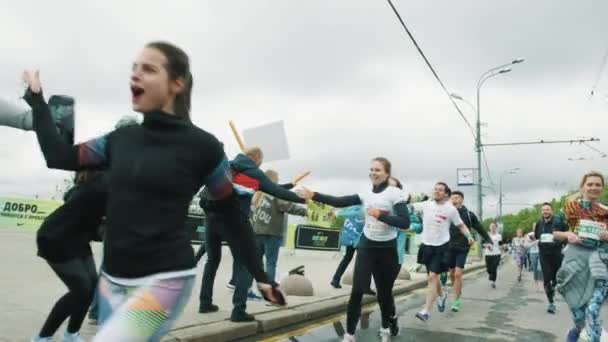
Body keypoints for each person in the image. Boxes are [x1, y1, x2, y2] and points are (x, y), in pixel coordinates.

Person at [22, 41, 284, 341]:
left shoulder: (205, 148)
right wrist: (38, 100)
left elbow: (233, 218)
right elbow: (58, 156)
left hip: (166, 279)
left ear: (177, 83)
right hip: (113, 281)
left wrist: (261, 277)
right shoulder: (120, 140)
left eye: (149, 69)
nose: (135, 75)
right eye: (134, 68)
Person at [296, 157, 410, 342]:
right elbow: (340, 201)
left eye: (378, 170)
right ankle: (349, 335)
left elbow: (404, 222)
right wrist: (313, 195)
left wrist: (380, 215)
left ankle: (387, 325)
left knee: (384, 293)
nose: (373, 172)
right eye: (371, 169)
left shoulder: (394, 194)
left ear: (387, 173)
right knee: (357, 290)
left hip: (387, 248)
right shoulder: (365, 192)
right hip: (367, 245)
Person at [199, 147, 304, 322]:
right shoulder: (254, 173)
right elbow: (276, 191)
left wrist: (291, 184)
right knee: (245, 264)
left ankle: (204, 302)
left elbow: (269, 188)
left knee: (212, 260)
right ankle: (238, 310)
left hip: (210, 217)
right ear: (258, 159)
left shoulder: (228, 167)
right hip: (233, 222)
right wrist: (307, 199)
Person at [555, 171, 608, 342]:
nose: (594, 187)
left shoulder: (606, 210)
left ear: (602, 188)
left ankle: (592, 337)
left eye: (598, 184)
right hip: (576, 263)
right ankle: (577, 330)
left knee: (592, 310)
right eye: (590, 184)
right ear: (582, 187)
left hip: (600, 262)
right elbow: (552, 233)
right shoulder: (569, 208)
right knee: (579, 313)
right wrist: (568, 235)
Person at [411, 182, 473, 322]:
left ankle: (426, 311)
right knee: (432, 278)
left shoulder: (450, 209)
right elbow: (409, 207)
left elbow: (461, 225)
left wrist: (469, 236)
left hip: (441, 247)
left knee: (433, 276)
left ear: (446, 194)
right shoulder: (426, 204)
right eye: (435, 189)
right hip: (426, 246)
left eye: (440, 190)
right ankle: (441, 295)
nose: (437, 191)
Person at [252, 169, 307, 283]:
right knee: (271, 263)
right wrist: (308, 212)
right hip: (272, 233)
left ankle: (255, 287)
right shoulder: (275, 192)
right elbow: (289, 206)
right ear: (273, 179)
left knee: (256, 262)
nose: (278, 180)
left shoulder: (258, 193)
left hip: (257, 232)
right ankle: (270, 290)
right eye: (277, 178)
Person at [446, 190, 492, 312]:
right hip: (449, 247)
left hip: (462, 248)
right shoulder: (447, 213)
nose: (454, 200)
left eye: (456, 198)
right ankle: (456, 289)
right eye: (452, 198)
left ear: (462, 199)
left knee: (458, 274)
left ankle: (455, 300)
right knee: (451, 274)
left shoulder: (469, 215)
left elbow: (480, 228)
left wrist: (488, 239)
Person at [534, 202, 568, 314]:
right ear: (542, 212)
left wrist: (560, 242)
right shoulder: (539, 223)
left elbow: (567, 235)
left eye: (547, 209)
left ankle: (554, 287)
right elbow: (536, 236)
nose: (545, 212)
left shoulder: (558, 222)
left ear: (551, 211)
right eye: (543, 210)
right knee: (547, 279)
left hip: (557, 254)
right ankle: (551, 302)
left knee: (555, 278)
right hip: (544, 254)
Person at [484, 222, 502, 289]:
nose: (493, 228)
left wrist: (502, 250)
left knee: (494, 267)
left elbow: (500, 244)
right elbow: (483, 243)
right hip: (488, 254)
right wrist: (487, 246)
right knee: (488, 269)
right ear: (489, 227)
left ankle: (493, 281)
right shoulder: (486, 235)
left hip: (497, 253)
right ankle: (491, 276)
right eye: (491, 226)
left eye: (494, 226)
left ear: (496, 228)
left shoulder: (499, 236)